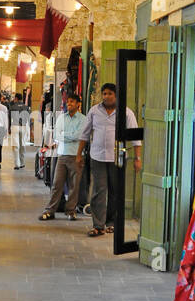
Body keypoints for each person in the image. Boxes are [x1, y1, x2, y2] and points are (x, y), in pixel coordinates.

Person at [76, 82, 142, 238]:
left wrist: (137, 158)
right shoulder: (94, 111)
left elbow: (135, 138)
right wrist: (79, 154)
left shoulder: (126, 113)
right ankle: (98, 225)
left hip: (117, 157)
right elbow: (85, 134)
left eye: (109, 94)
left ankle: (111, 223)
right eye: (104, 93)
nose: (106, 96)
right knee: (99, 190)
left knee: (115, 190)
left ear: (116, 95)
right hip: (97, 157)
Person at [39, 93, 86, 221]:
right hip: (61, 155)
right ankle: (50, 210)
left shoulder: (83, 119)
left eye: (71, 102)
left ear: (78, 104)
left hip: (76, 155)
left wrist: (65, 135)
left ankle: (71, 211)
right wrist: (69, 135)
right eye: (67, 102)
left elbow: (79, 136)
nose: (68, 104)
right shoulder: (61, 118)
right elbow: (57, 135)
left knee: (74, 186)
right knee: (56, 184)